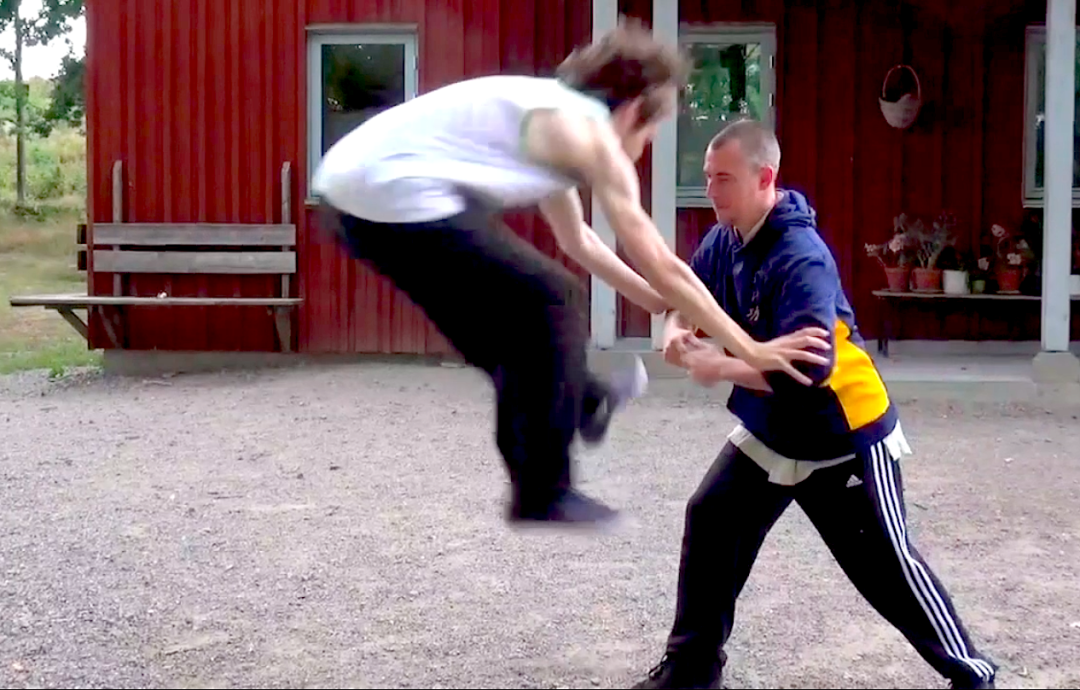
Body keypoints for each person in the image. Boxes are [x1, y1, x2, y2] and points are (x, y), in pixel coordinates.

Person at [310, 20, 830, 529]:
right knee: (552, 298)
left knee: (504, 342)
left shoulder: (551, 122)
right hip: (391, 194)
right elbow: (658, 258)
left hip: (348, 201)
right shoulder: (585, 132)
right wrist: (752, 349)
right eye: (651, 131)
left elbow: (578, 240)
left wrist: (657, 303)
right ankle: (544, 486)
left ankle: (580, 398)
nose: (646, 145)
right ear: (634, 110)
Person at [631, 119, 998, 689]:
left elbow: (807, 374)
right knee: (712, 519)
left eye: (724, 179)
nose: (710, 191)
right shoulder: (725, 238)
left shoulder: (802, 257)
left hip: (842, 432)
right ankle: (691, 670)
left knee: (887, 567)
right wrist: (675, 330)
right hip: (775, 428)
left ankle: (973, 675)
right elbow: (685, 294)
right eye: (707, 177)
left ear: (765, 178)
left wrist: (718, 366)